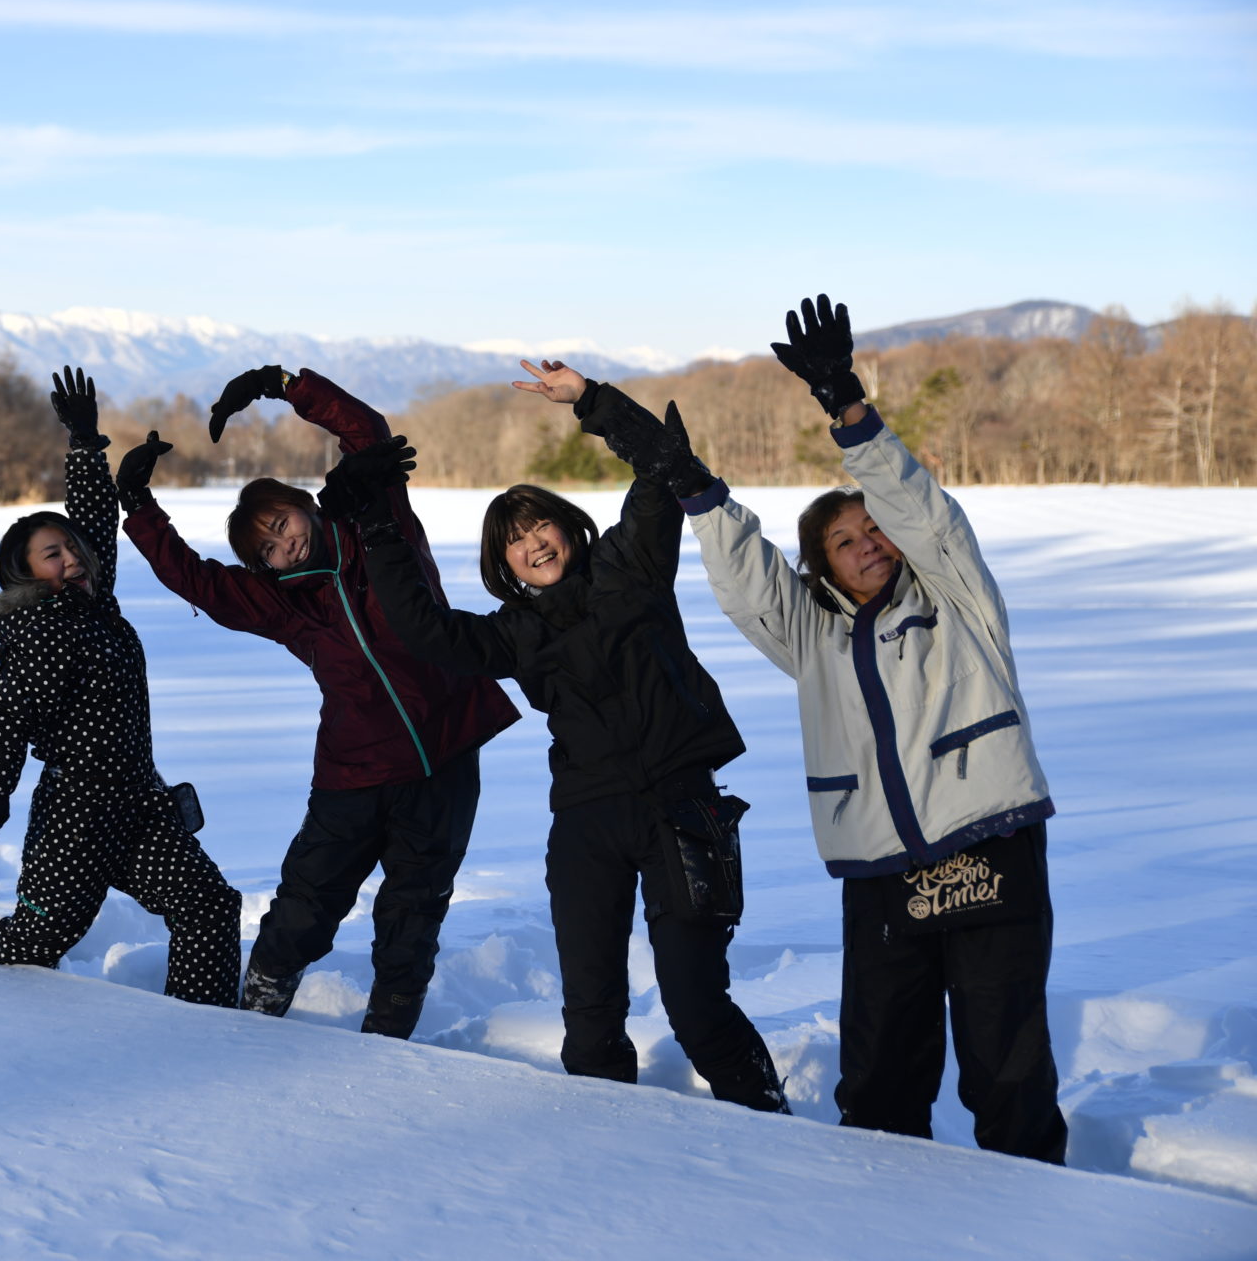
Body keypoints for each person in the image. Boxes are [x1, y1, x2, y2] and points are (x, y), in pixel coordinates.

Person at [603, 294, 1066, 1162]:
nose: (869, 543)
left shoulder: (958, 600)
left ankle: (1032, 1199)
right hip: (881, 867)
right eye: (844, 540)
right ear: (822, 567)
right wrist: (695, 488)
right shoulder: (814, 637)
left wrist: (848, 409)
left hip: (989, 845)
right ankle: (877, 1210)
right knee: (881, 1068)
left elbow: (927, 515)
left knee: (1004, 1062)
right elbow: (751, 583)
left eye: (874, 528)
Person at [331, 369, 788, 1111]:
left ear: (566, 525)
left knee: (697, 1005)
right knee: (591, 1018)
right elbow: (424, 629)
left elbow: (661, 466)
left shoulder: (633, 563)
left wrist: (591, 400)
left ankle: (771, 1123)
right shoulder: (515, 633)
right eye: (513, 541)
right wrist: (378, 529)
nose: (532, 543)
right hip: (585, 821)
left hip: (682, 809)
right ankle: (604, 1146)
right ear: (503, 565)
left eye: (537, 525)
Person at [114, 365, 521, 1039]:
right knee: (305, 905)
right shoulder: (281, 602)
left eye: (282, 523)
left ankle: (388, 1036)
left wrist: (282, 384)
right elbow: (197, 581)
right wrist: (138, 506)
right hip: (354, 771)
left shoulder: (377, 525)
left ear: (303, 504)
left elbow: (367, 432)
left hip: (445, 754)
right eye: (268, 549)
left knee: (414, 912)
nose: (286, 544)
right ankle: (258, 1013)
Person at [0, 367, 241, 1007]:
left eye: (70, 549)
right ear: (27, 576)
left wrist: (85, 443)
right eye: (52, 555)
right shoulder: (41, 629)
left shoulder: (93, 604)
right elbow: (8, 716)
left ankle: (208, 1028)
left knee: (209, 905)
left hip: (137, 804)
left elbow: (93, 523)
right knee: (38, 936)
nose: (72, 559)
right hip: (77, 817)